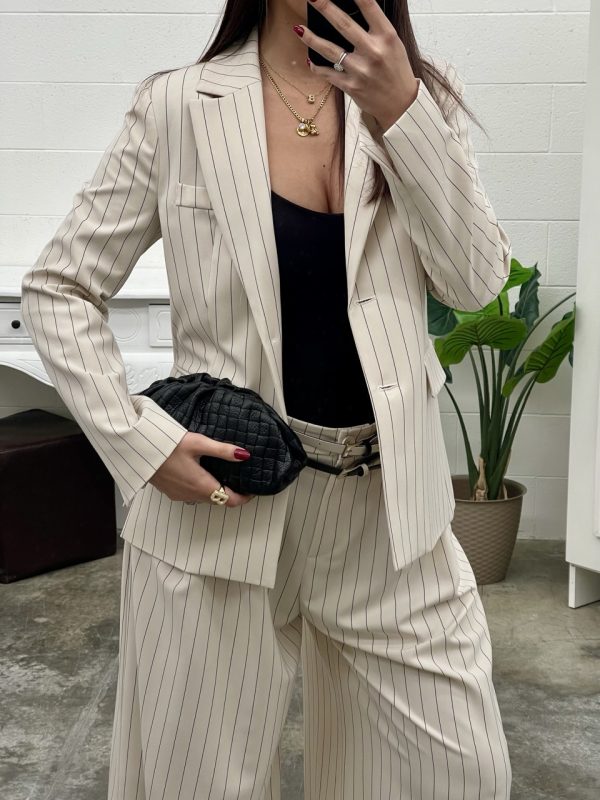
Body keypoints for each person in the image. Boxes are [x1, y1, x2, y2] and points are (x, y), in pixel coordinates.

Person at [20, 0, 513, 797]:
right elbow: (59, 288)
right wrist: (140, 442)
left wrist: (402, 111)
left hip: (388, 517)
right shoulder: (181, 105)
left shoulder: (421, 95)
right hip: (223, 502)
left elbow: (475, 282)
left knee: (459, 772)